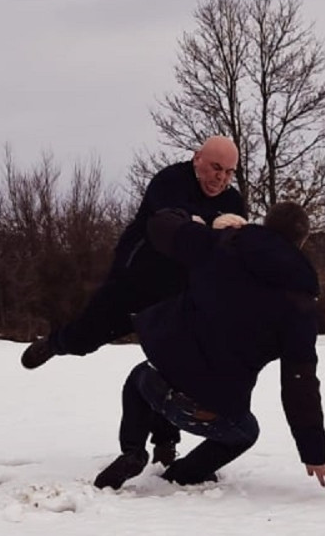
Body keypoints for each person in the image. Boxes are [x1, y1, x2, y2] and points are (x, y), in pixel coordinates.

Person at [93, 201, 325, 490]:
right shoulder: (300, 305)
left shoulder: (221, 244)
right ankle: (183, 474)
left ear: (266, 224)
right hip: (209, 411)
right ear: (302, 240)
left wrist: (200, 219)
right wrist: (313, 453)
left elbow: (160, 225)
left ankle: (133, 451)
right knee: (246, 432)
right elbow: (300, 382)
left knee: (137, 379)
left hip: (156, 382)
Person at [20, 135, 245, 372]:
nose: (221, 178)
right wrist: (213, 225)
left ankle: (170, 389)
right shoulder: (170, 181)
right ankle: (55, 344)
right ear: (197, 158)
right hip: (137, 278)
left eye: (229, 172)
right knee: (87, 335)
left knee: (192, 351)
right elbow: (171, 222)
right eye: (216, 168)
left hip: (183, 290)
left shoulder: (232, 201)